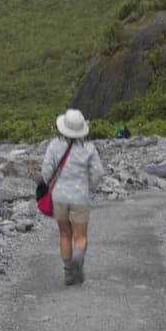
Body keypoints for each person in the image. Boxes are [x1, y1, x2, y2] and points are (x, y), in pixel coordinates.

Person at [40, 108, 105, 285]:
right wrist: (89, 186)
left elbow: (46, 171)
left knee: (64, 234)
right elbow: (98, 174)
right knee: (80, 236)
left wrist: (50, 184)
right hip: (80, 198)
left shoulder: (54, 145)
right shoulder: (89, 148)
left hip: (59, 197)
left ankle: (69, 271)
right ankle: (78, 257)